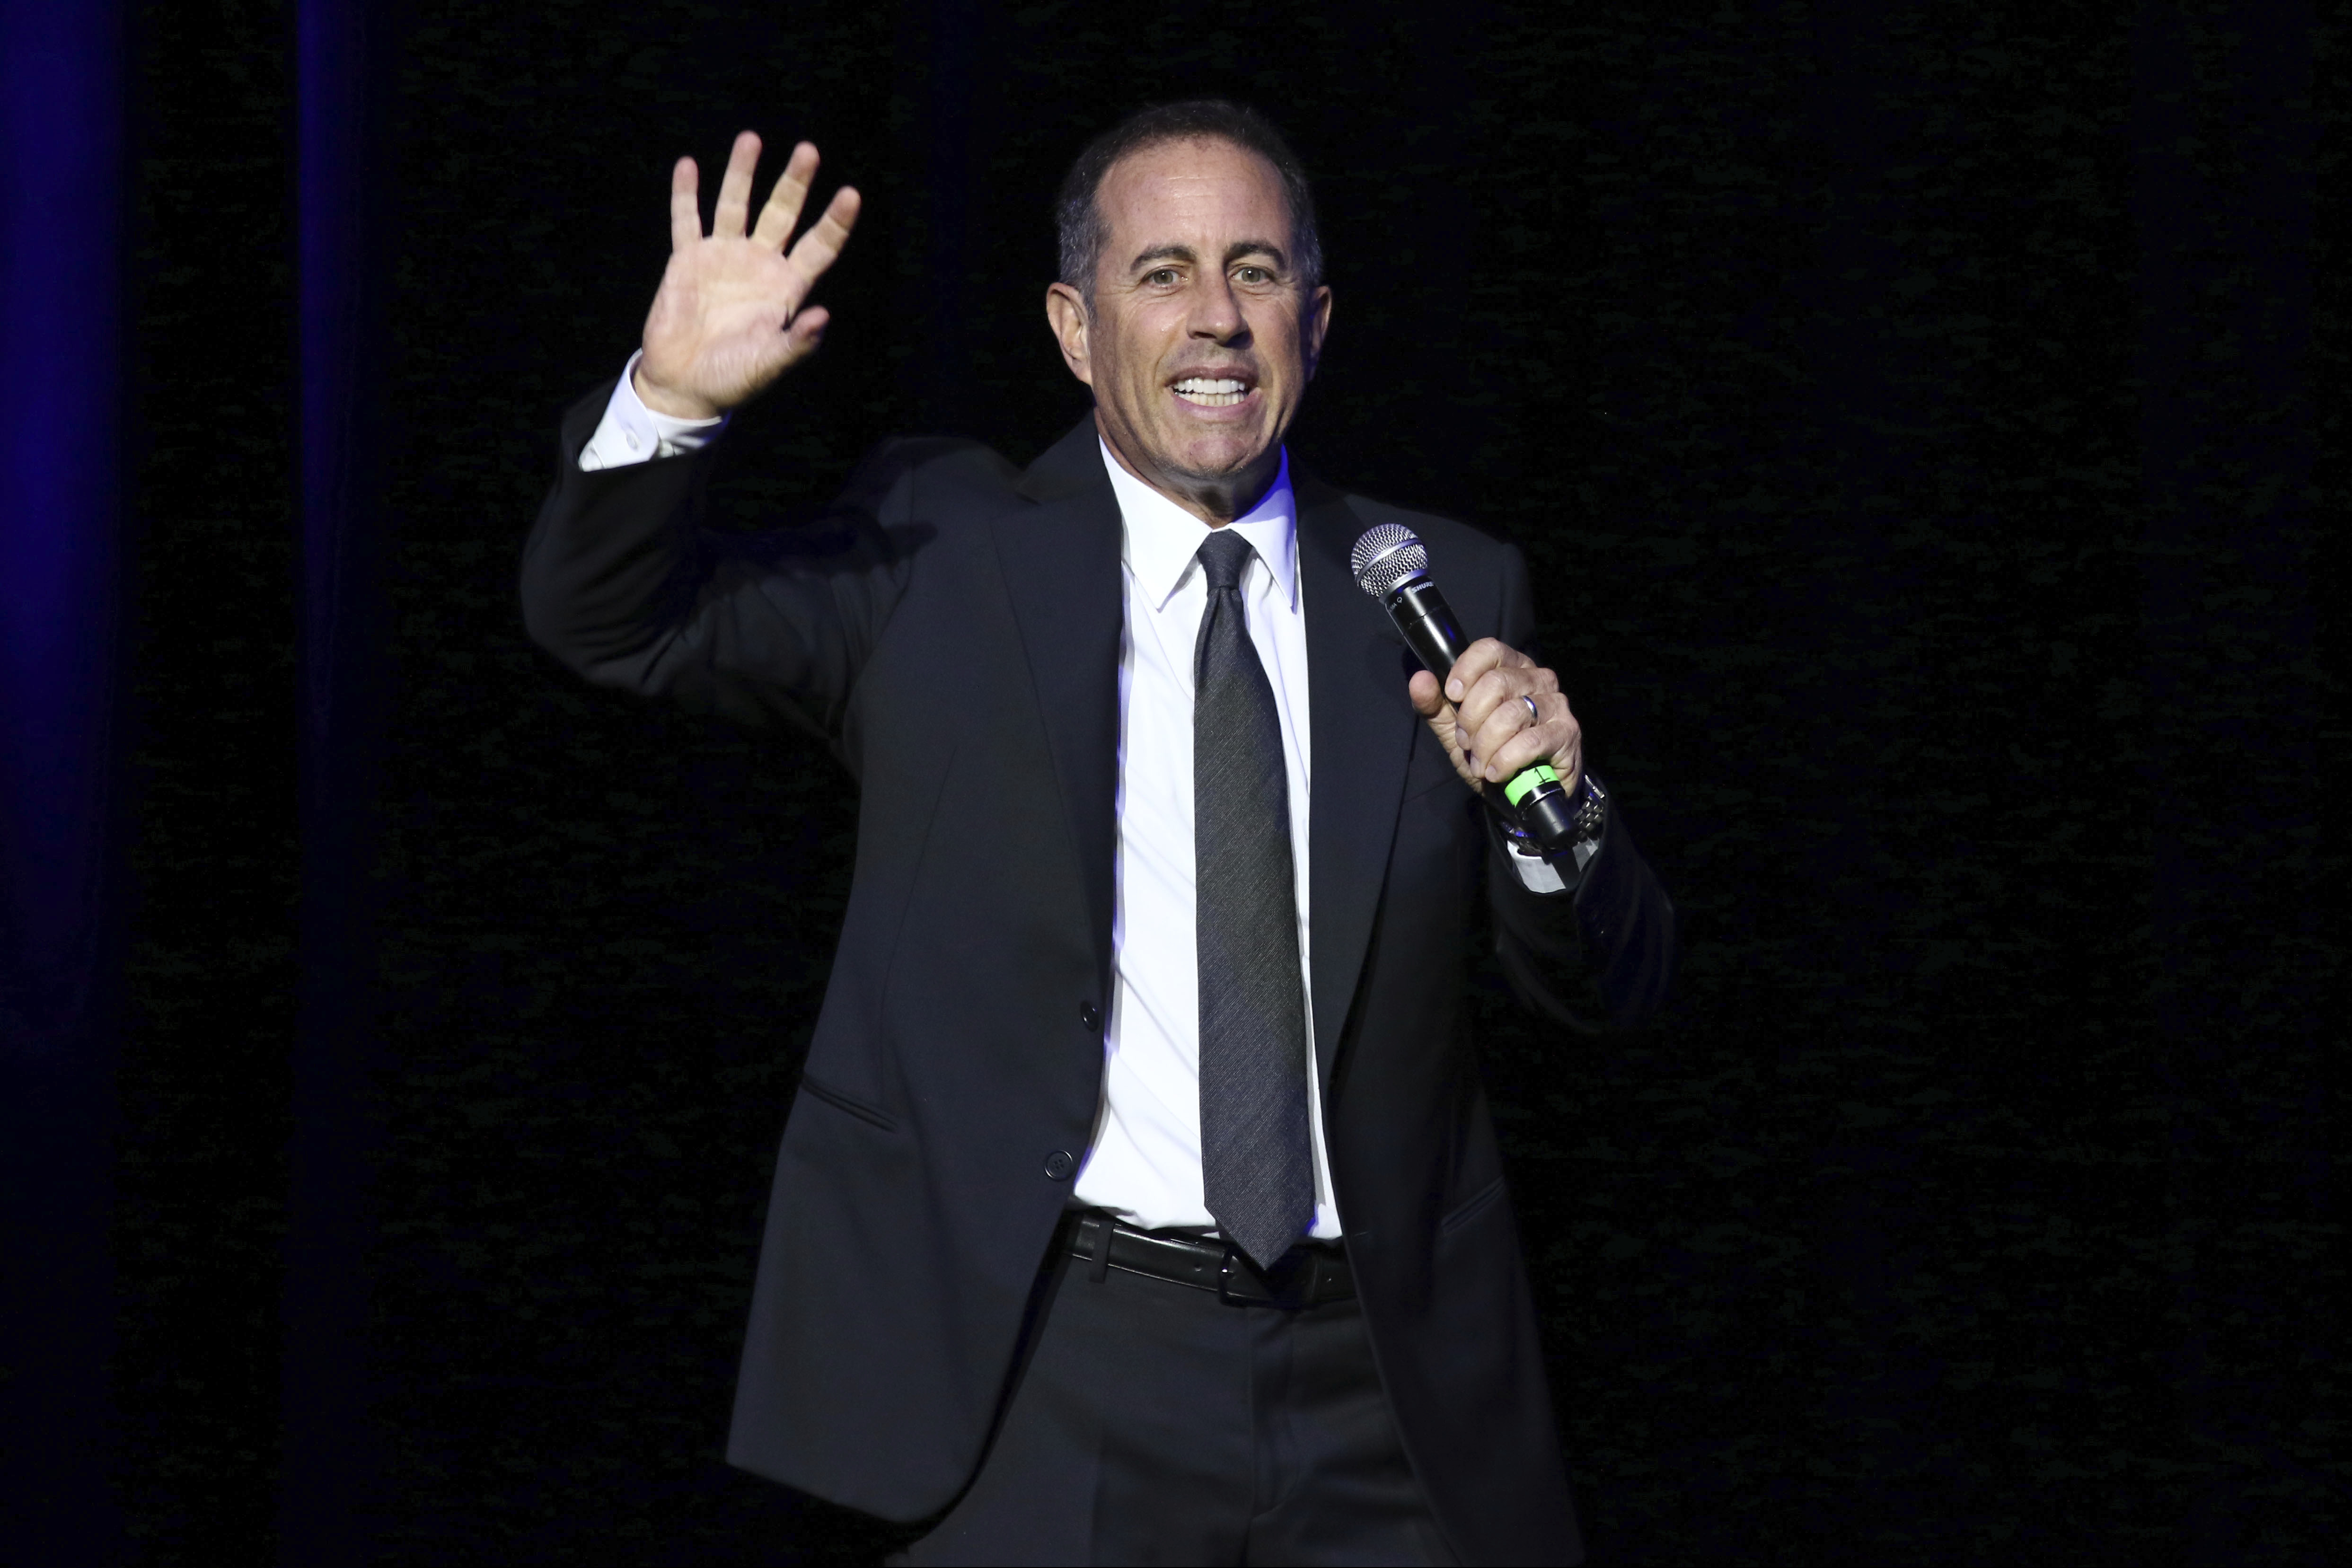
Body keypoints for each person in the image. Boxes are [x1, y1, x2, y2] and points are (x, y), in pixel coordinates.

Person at [522, 99, 1673, 1567]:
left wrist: (1544, 817)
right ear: (1074, 328)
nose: (1216, 321)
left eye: (1257, 275)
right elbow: (606, 621)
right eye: (1164, 273)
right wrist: (670, 403)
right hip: (1052, 1368)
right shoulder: (936, 550)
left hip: (1383, 1384)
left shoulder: (1444, 588)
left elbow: (1611, 985)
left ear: (1315, 321)